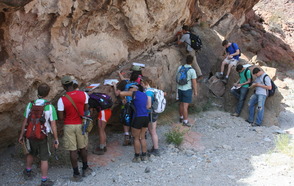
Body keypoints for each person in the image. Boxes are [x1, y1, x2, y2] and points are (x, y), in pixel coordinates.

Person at [18, 83, 59, 186]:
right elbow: (53, 125)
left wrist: (21, 135)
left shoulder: (30, 104)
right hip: (43, 136)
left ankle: (28, 172)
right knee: (44, 158)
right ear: (48, 93)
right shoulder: (49, 107)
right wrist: (56, 139)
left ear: (38, 92)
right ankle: (44, 181)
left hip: (30, 134)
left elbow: (25, 121)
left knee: (31, 153)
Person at [57, 76, 92, 181]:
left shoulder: (62, 99)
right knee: (83, 147)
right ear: (73, 83)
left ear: (63, 86)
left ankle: (76, 174)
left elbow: (61, 117)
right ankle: (85, 168)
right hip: (81, 124)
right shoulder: (83, 94)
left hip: (69, 125)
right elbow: (86, 110)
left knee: (73, 150)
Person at [119, 84, 150, 162]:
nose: (129, 90)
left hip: (137, 117)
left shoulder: (135, 93)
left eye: (130, 88)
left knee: (136, 138)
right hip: (146, 117)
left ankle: (137, 157)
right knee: (142, 137)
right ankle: (144, 155)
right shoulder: (144, 95)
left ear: (135, 89)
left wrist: (123, 99)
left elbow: (121, 93)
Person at [113, 69, 142, 146]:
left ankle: (126, 137)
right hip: (136, 104)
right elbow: (123, 79)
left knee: (126, 119)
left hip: (127, 104)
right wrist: (119, 74)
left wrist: (114, 86)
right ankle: (134, 137)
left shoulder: (125, 83)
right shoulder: (138, 85)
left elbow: (117, 94)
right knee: (133, 119)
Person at [141, 77, 160, 156]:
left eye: (142, 83)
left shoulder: (148, 92)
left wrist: (142, 108)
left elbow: (148, 105)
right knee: (153, 131)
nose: (141, 85)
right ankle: (155, 148)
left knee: (152, 132)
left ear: (145, 83)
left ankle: (156, 149)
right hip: (154, 113)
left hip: (150, 113)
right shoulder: (154, 89)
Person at [177, 55, 198, 127]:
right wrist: (195, 91)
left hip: (179, 88)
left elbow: (177, 77)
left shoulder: (180, 67)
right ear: (192, 61)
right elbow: (194, 82)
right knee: (185, 106)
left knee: (181, 104)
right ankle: (185, 121)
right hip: (187, 89)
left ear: (186, 60)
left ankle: (181, 117)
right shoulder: (192, 70)